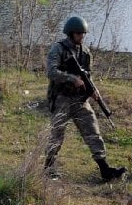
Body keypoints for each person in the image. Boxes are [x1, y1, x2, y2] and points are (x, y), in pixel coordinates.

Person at [42, 16, 127, 182]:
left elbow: (87, 76)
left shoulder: (85, 52)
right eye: (79, 33)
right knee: (57, 135)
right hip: (61, 99)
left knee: (93, 132)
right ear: (71, 33)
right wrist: (71, 78)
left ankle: (105, 169)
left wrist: (92, 91)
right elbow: (51, 72)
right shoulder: (58, 49)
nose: (82, 36)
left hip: (80, 100)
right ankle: (49, 167)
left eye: (83, 33)